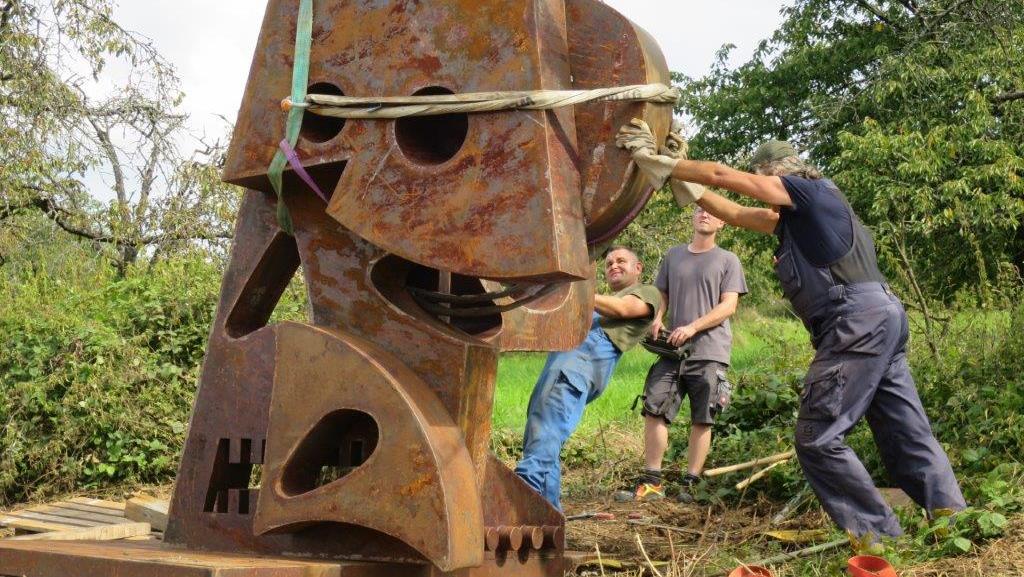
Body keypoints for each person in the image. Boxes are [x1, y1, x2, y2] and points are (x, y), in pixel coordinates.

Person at [616, 121, 965, 546]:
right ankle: (953, 521)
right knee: (904, 428)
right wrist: (672, 177)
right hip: (880, 318)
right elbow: (736, 213)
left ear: (774, 172)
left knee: (817, 438)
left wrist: (669, 161)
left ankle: (880, 538)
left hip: (854, 322)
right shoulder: (804, 217)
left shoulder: (809, 190)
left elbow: (727, 178)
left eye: (762, 178)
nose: (763, 187)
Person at [515, 246, 663, 510]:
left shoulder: (645, 294)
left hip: (576, 367)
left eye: (621, 261)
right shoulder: (597, 302)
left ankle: (517, 500)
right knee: (544, 438)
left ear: (638, 268)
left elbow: (622, 309)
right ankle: (549, 517)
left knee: (545, 435)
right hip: (563, 366)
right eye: (608, 263)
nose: (614, 266)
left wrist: (577, 292)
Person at [615, 207, 747, 503]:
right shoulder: (673, 255)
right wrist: (658, 317)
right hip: (672, 350)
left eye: (712, 211)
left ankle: (690, 486)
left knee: (703, 418)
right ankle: (651, 483)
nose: (705, 214)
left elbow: (729, 306)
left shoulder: (728, 260)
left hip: (710, 350)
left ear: (721, 221)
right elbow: (661, 294)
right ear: (692, 216)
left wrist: (692, 327)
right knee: (655, 407)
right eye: (700, 209)